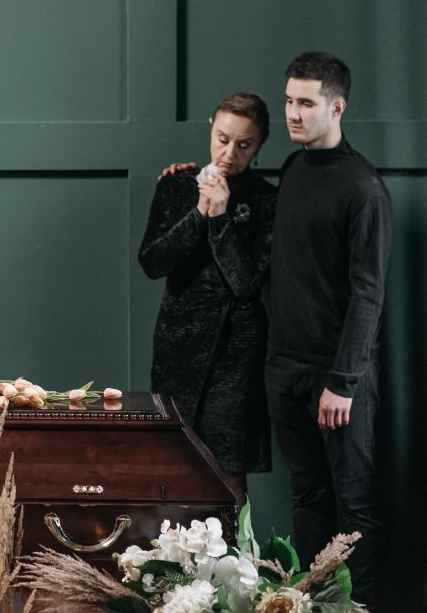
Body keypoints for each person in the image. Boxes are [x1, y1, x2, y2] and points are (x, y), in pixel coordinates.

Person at [266, 52, 390, 608]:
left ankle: (360, 609)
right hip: (283, 368)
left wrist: (342, 382)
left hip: (338, 378)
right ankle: (307, 604)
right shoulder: (293, 169)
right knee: (307, 496)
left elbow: (369, 294)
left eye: (306, 103)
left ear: (337, 107)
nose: (293, 114)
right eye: (289, 101)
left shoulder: (364, 189)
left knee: (355, 505)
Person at [139, 93, 277, 507]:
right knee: (173, 460)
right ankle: (168, 550)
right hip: (178, 344)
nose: (230, 153)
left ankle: (236, 550)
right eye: (222, 139)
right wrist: (199, 212)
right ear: (211, 129)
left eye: (244, 145)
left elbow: (246, 283)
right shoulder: (177, 185)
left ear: (260, 143)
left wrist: (219, 217)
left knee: (227, 466)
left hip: (236, 352)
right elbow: (153, 263)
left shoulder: (268, 200)